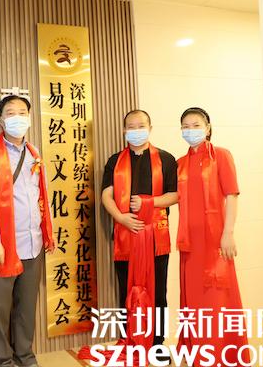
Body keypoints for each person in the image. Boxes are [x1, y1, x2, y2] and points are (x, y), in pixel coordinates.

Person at [0, 95, 54, 367]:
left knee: (26, 306)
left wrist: (46, 231)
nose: (17, 117)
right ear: (1, 120)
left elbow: (41, 195)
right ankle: (1, 360)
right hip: (4, 245)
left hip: (32, 243)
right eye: (11, 112)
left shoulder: (34, 153)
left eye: (22, 112)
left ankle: (25, 355)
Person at [176, 107, 248, 365]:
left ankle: (222, 357)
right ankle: (198, 356)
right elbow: (174, 197)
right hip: (189, 246)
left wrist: (228, 233)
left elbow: (232, 195)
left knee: (218, 303)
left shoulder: (221, 155)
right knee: (195, 305)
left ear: (207, 128)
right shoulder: (180, 164)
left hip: (216, 242)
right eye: (185, 126)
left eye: (196, 125)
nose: (190, 130)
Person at [100, 110, 178, 348]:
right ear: (124, 130)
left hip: (155, 237)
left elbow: (174, 195)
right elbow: (106, 195)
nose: (136, 131)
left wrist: (149, 202)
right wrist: (121, 218)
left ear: (150, 128)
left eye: (141, 126)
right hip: (126, 234)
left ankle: (157, 342)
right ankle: (130, 339)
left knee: (158, 292)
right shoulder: (115, 161)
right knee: (127, 289)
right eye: (131, 127)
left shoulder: (166, 159)